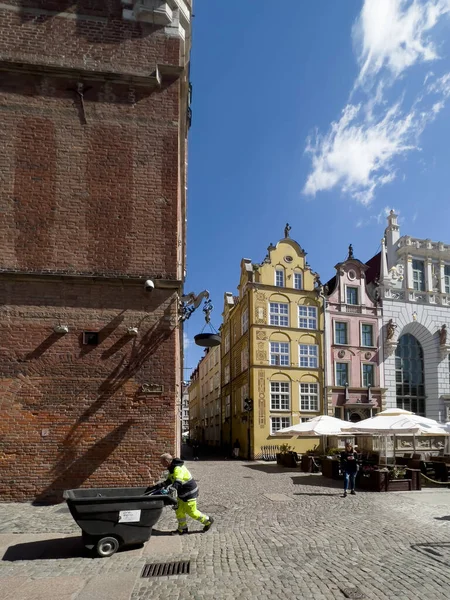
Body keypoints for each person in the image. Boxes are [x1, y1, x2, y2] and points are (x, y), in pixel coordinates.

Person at [159, 453, 214, 535]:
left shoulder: (177, 468)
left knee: (192, 512)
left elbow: (178, 481)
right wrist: (158, 486)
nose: (161, 463)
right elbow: (170, 480)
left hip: (189, 493)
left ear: (166, 461)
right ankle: (183, 529)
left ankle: (208, 521)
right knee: (179, 510)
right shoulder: (171, 468)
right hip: (182, 493)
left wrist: (170, 490)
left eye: (162, 462)